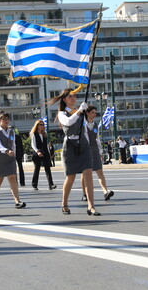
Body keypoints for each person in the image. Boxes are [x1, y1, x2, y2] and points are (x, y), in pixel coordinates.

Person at [49, 88, 101, 216]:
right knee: (70, 177)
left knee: (88, 173)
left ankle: (91, 206)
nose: (73, 98)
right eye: (70, 96)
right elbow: (68, 122)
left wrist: (91, 147)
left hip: (83, 145)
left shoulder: (80, 112)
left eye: (74, 96)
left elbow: (84, 130)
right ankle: (64, 203)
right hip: (70, 146)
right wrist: (79, 111)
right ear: (65, 99)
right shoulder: (62, 113)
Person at [0, 111, 26, 209]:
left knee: (12, 178)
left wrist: (14, 154)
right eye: (4, 119)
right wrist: (6, 151)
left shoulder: (11, 131)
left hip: (10, 158)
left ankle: (17, 201)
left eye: (7, 119)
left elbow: (13, 144)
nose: (6, 121)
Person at [80, 106, 114, 201]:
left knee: (99, 171)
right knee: (85, 174)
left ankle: (105, 192)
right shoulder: (82, 124)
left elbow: (97, 139)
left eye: (95, 113)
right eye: (92, 113)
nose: (94, 115)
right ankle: (84, 194)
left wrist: (100, 151)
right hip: (85, 150)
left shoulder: (95, 125)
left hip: (94, 149)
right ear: (87, 113)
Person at [30, 120, 57, 191]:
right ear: (37, 126)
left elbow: (46, 146)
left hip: (45, 153)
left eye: (43, 124)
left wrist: (50, 154)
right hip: (37, 154)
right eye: (40, 124)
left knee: (48, 168)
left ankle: (51, 184)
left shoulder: (44, 134)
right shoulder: (34, 134)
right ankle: (34, 184)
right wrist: (37, 152)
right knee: (37, 169)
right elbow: (33, 145)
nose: (42, 126)